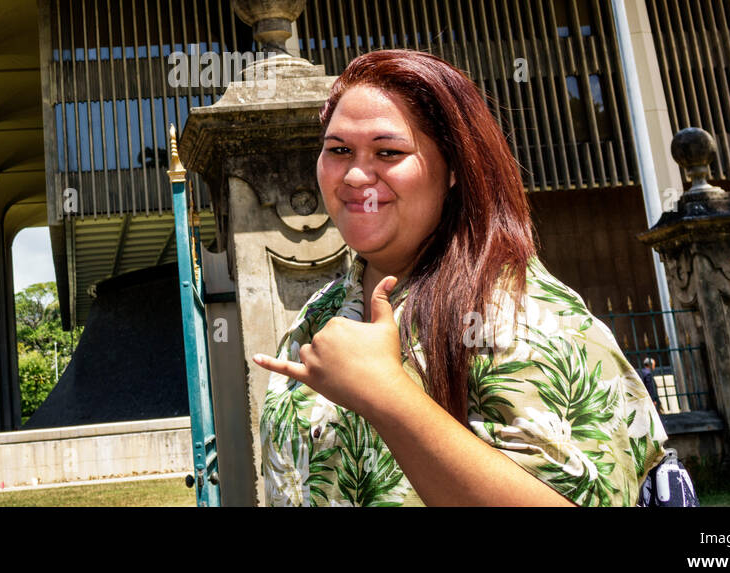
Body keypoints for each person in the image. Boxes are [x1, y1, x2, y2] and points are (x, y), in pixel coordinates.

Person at [253, 49, 668, 506]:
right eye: (338, 150)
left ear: (453, 168)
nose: (354, 174)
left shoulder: (520, 314)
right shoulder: (321, 312)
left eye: (388, 151)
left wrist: (387, 395)